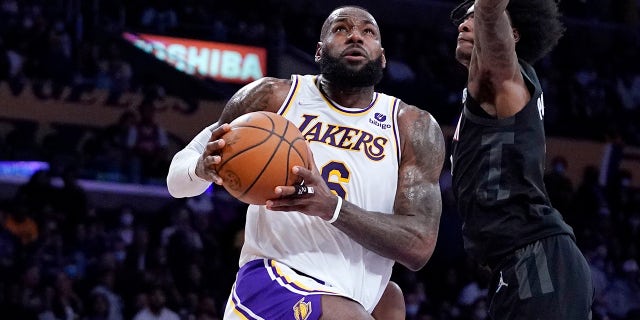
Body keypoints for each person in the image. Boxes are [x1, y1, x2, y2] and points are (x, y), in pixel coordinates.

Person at [167, 5, 445, 320]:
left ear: (382, 56)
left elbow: (419, 246)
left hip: (349, 294)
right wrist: (199, 169)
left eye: (368, 32)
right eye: (341, 29)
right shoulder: (272, 97)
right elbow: (177, 180)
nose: (355, 36)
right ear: (318, 51)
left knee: (390, 301)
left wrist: (332, 207)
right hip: (273, 279)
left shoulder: (411, 126)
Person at [448, 0, 594, 319]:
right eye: (464, 18)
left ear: (511, 35)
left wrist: (487, 12)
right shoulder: (491, 92)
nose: (463, 24)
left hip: (535, 258)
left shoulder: (503, 77)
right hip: (521, 261)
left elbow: (490, 10)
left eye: (474, 19)